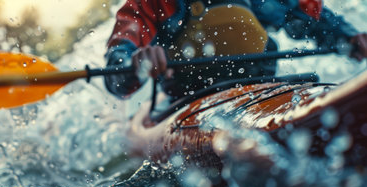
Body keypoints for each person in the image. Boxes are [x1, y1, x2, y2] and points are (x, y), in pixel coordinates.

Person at [104, 0, 367, 100]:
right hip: (189, 100)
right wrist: (135, 64)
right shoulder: (149, 4)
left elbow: (317, 21)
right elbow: (116, 74)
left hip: (262, 88)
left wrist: (351, 38)